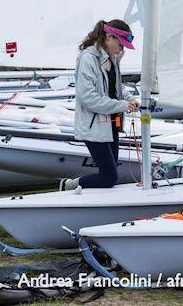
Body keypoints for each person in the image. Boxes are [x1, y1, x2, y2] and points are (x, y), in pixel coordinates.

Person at [59, 19, 141, 191]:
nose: (122, 49)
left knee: (109, 176)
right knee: (109, 177)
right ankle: (70, 185)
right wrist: (122, 105)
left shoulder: (112, 57)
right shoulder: (88, 58)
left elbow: (116, 88)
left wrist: (129, 99)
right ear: (109, 37)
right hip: (94, 126)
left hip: (111, 123)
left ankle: (89, 198)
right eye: (120, 44)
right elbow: (88, 98)